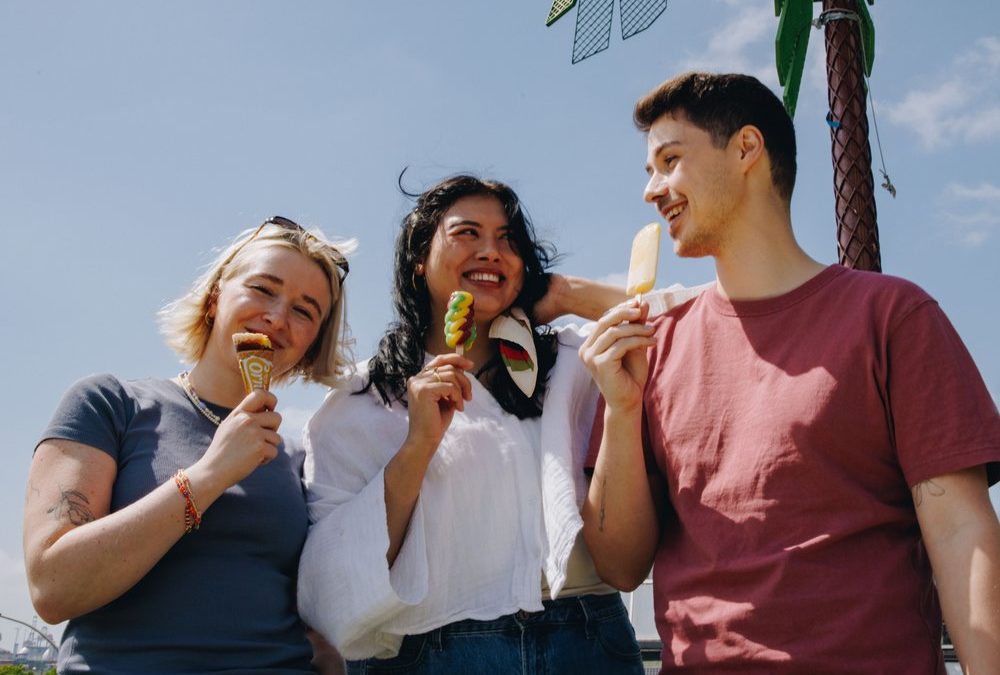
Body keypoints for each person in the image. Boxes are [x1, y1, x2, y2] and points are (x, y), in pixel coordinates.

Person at [579, 72, 1000, 673]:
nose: (651, 190)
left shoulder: (892, 316)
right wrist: (622, 411)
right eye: (650, 170)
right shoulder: (651, 348)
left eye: (670, 161)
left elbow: (960, 533)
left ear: (746, 149)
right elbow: (620, 566)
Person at [297, 175, 648, 674]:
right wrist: (418, 445)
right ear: (419, 259)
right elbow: (331, 582)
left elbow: (686, 326)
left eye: (508, 240)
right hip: (432, 651)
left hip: (587, 638)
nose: (491, 252)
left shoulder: (575, 363)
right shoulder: (360, 400)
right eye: (467, 233)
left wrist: (565, 293)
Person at [24, 217, 353, 673]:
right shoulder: (110, 404)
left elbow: (308, 611)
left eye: (304, 311)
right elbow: (52, 587)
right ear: (216, 296)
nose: (278, 318)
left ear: (311, 344)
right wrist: (209, 475)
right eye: (262, 288)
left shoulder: (304, 458)